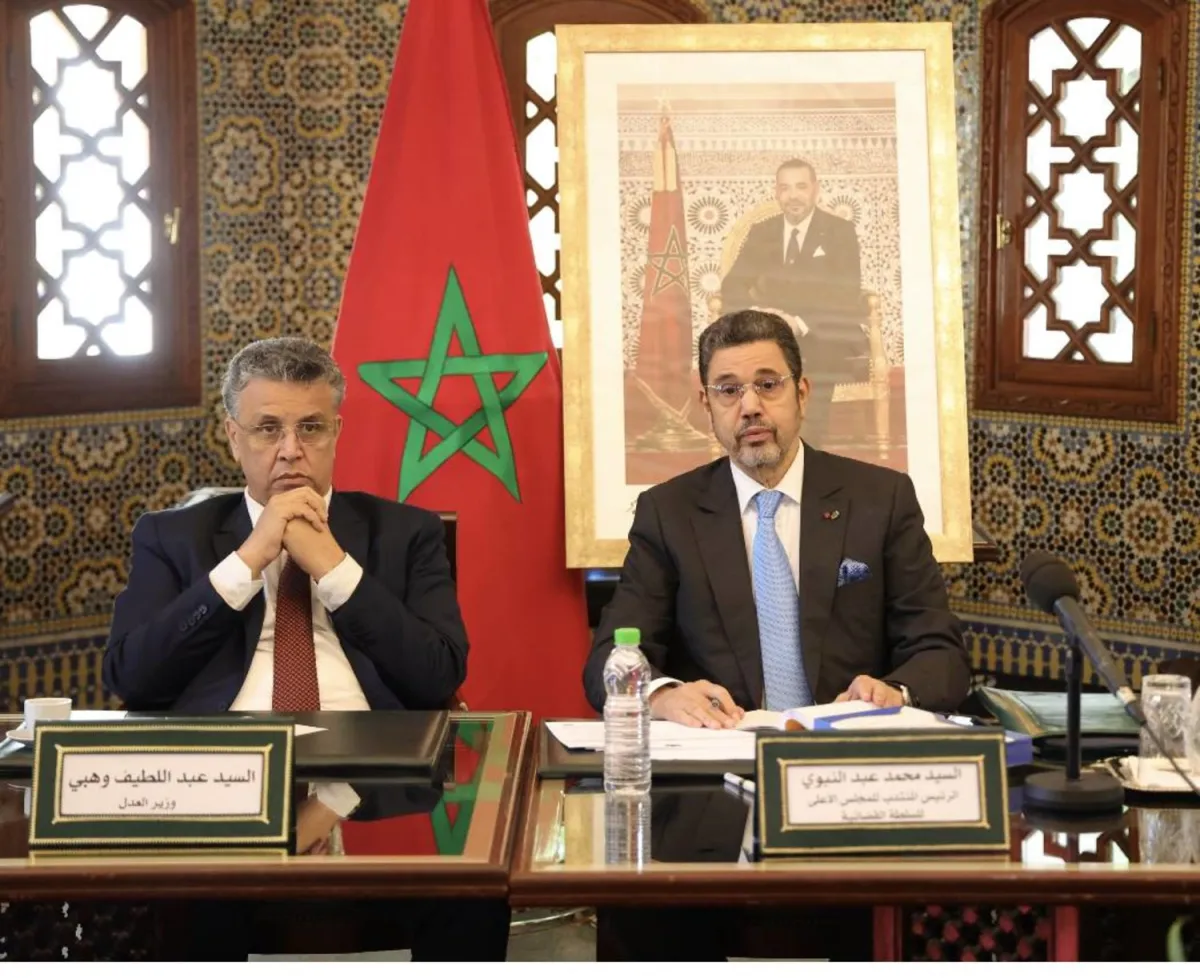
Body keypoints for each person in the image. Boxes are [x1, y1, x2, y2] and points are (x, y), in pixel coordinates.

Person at [104, 337, 508, 960]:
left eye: (311, 428)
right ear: (233, 437)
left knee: (473, 891)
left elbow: (437, 674)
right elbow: (132, 676)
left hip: (375, 777)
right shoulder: (171, 536)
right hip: (218, 782)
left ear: (337, 433)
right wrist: (247, 561)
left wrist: (334, 568)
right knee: (185, 902)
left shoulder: (406, 532)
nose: (291, 449)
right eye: (268, 429)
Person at [584, 309, 969, 727]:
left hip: (845, 747)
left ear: (802, 393)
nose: (750, 407)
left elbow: (941, 653)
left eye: (768, 385)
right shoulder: (669, 512)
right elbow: (609, 657)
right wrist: (663, 696)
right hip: (723, 748)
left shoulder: (880, 499)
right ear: (706, 405)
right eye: (728, 390)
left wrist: (896, 691)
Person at [720, 159, 869, 445]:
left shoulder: (839, 231)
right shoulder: (762, 232)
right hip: (772, 330)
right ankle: (764, 440)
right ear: (777, 193)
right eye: (785, 188)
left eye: (801, 186)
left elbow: (847, 292)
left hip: (823, 329)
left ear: (815, 189)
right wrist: (761, 316)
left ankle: (808, 445)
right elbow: (732, 285)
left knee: (821, 348)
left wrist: (800, 323)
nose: (793, 195)